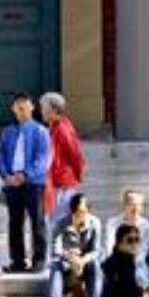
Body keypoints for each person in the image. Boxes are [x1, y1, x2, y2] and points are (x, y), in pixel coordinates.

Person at [0, 92, 52, 274]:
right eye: (18, 107)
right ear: (13, 109)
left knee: (37, 222)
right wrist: (6, 175)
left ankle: (39, 260)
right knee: (15, 223)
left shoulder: (40, 131)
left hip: (33, 183)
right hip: (12, 183)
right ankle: (17, 261)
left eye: (25, 106)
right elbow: (1, 157)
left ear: (32, 107)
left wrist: (25, 174)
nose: (21, 110)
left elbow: (43, 159)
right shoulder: (7, 132)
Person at [41, 192, 103, 297]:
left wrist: (83, 259)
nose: (81, 215)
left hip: (86, 262)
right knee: (55, 265)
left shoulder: (94, 223)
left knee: (96, 264)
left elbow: (96, 250)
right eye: (78, 212)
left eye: (84, 212)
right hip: (67, 261)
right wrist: (69, 256)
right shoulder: (60, 223)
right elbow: (55, 249)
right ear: (72, 211)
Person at [41, 92, 86, 223]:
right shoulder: (53, 127)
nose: (42, 111)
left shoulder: (62, 129)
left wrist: (77, 175)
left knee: (58, 221)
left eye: (44, 108)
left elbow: (76, 155)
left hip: (61, 184)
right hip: (54, 181)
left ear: (54, 110)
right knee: (52, 220)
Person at [105, 190, 149, 289]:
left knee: (140, 277)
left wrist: (131, 263)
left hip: (137, 261)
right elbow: (109, 246)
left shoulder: (146, 225)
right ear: (124, 205)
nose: (136, 208)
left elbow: (143, 250)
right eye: (132, 204)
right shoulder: (113, 223)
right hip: (116, 260)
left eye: (139, 205)